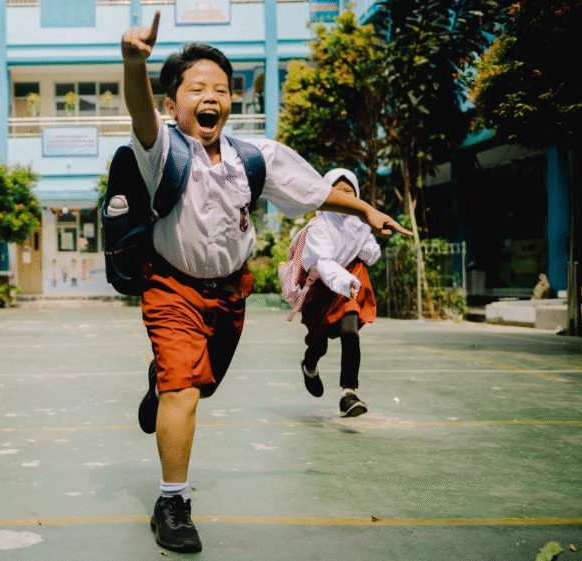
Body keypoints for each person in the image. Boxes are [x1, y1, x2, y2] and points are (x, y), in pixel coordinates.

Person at [120, 12, 411, 553]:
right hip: (172, 287)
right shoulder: (160, 150)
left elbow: (312, 191)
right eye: (197, 89)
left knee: (196, 386)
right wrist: (133, 63)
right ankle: (173, 501)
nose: (211, 97)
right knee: (185, 390)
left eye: (222, 90)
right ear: (172, 104)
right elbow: (138, 110)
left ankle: (162, 380)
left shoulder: (255, 157)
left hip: (230, 292)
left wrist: (365, 208)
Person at [297, 169, 381, 418]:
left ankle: (348, 393)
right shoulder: (318, 226)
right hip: (323, 286)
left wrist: (368, 243)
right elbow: (323, 262)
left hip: (349, 285)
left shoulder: (361, 224)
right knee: (318, 343)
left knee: (350, 332)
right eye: (337, 192)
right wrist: (344, 280)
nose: (344, 197)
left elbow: (372, 254)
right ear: (326, 195)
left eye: (349, 192)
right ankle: (309, 365)